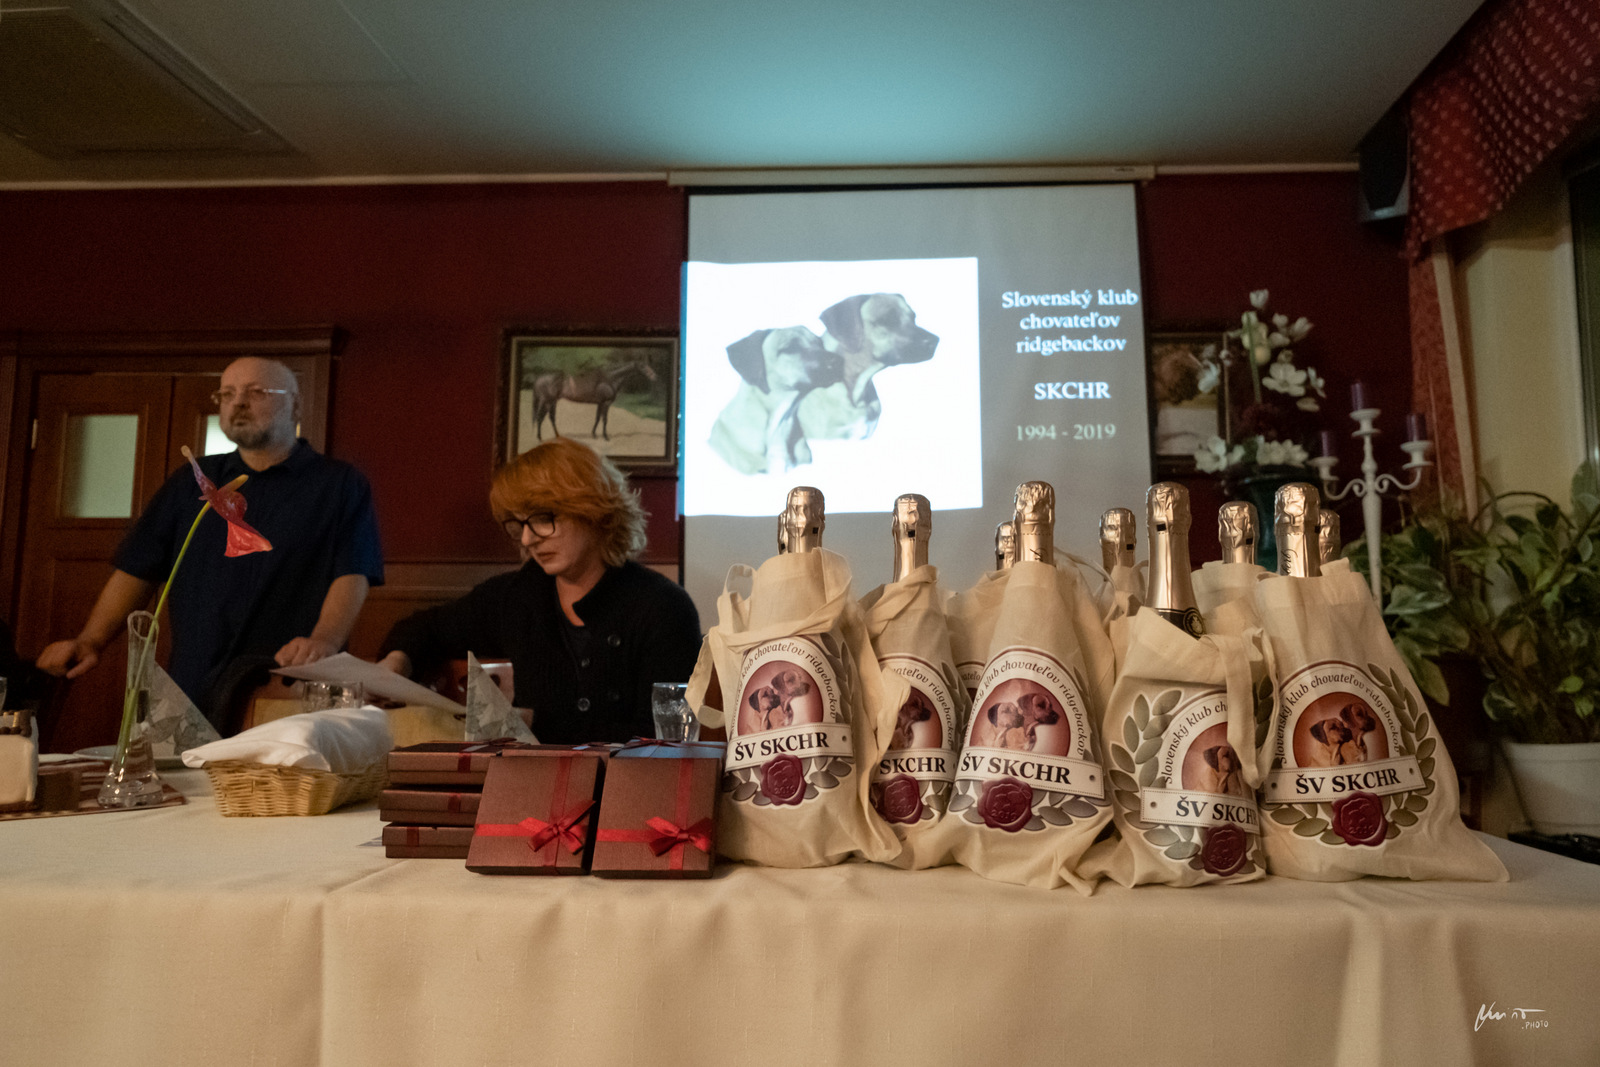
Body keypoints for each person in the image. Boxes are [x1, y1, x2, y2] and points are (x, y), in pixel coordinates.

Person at [36, 357, 384, 725]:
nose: (239, 403)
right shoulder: (193, 481)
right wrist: (90, 640)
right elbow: (137, 568)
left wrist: (324, 641)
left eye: (256, 392)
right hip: (191, 687)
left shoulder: (339, 484)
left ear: (296, 405)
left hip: (287, 685)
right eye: (227, 394)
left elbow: (353, 572)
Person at [378, 438, 701, 744]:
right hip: (532, 777)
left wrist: (535, 722)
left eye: (544, 519)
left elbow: (664, 738)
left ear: (592, 510)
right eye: (519, 525)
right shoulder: (520, 596)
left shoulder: (663, 607)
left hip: (629, 780)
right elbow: (426, 628)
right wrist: (397, 662)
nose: (528, 539)